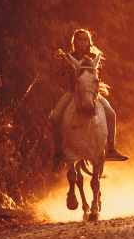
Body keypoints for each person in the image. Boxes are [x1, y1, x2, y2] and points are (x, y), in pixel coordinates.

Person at [50, 29, 129, 172]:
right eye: (79, 39)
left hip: (92, 93)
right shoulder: (68, 57)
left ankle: (111, 149)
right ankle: (58, 153)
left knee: (111, 113)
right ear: (74, 42)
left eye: (85, 39)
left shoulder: (93, 57)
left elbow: (96, 77)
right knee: (55, 118)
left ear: (88, 42)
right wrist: (65, 66)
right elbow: (57, 74)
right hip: (73, 92)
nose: (82, 42)